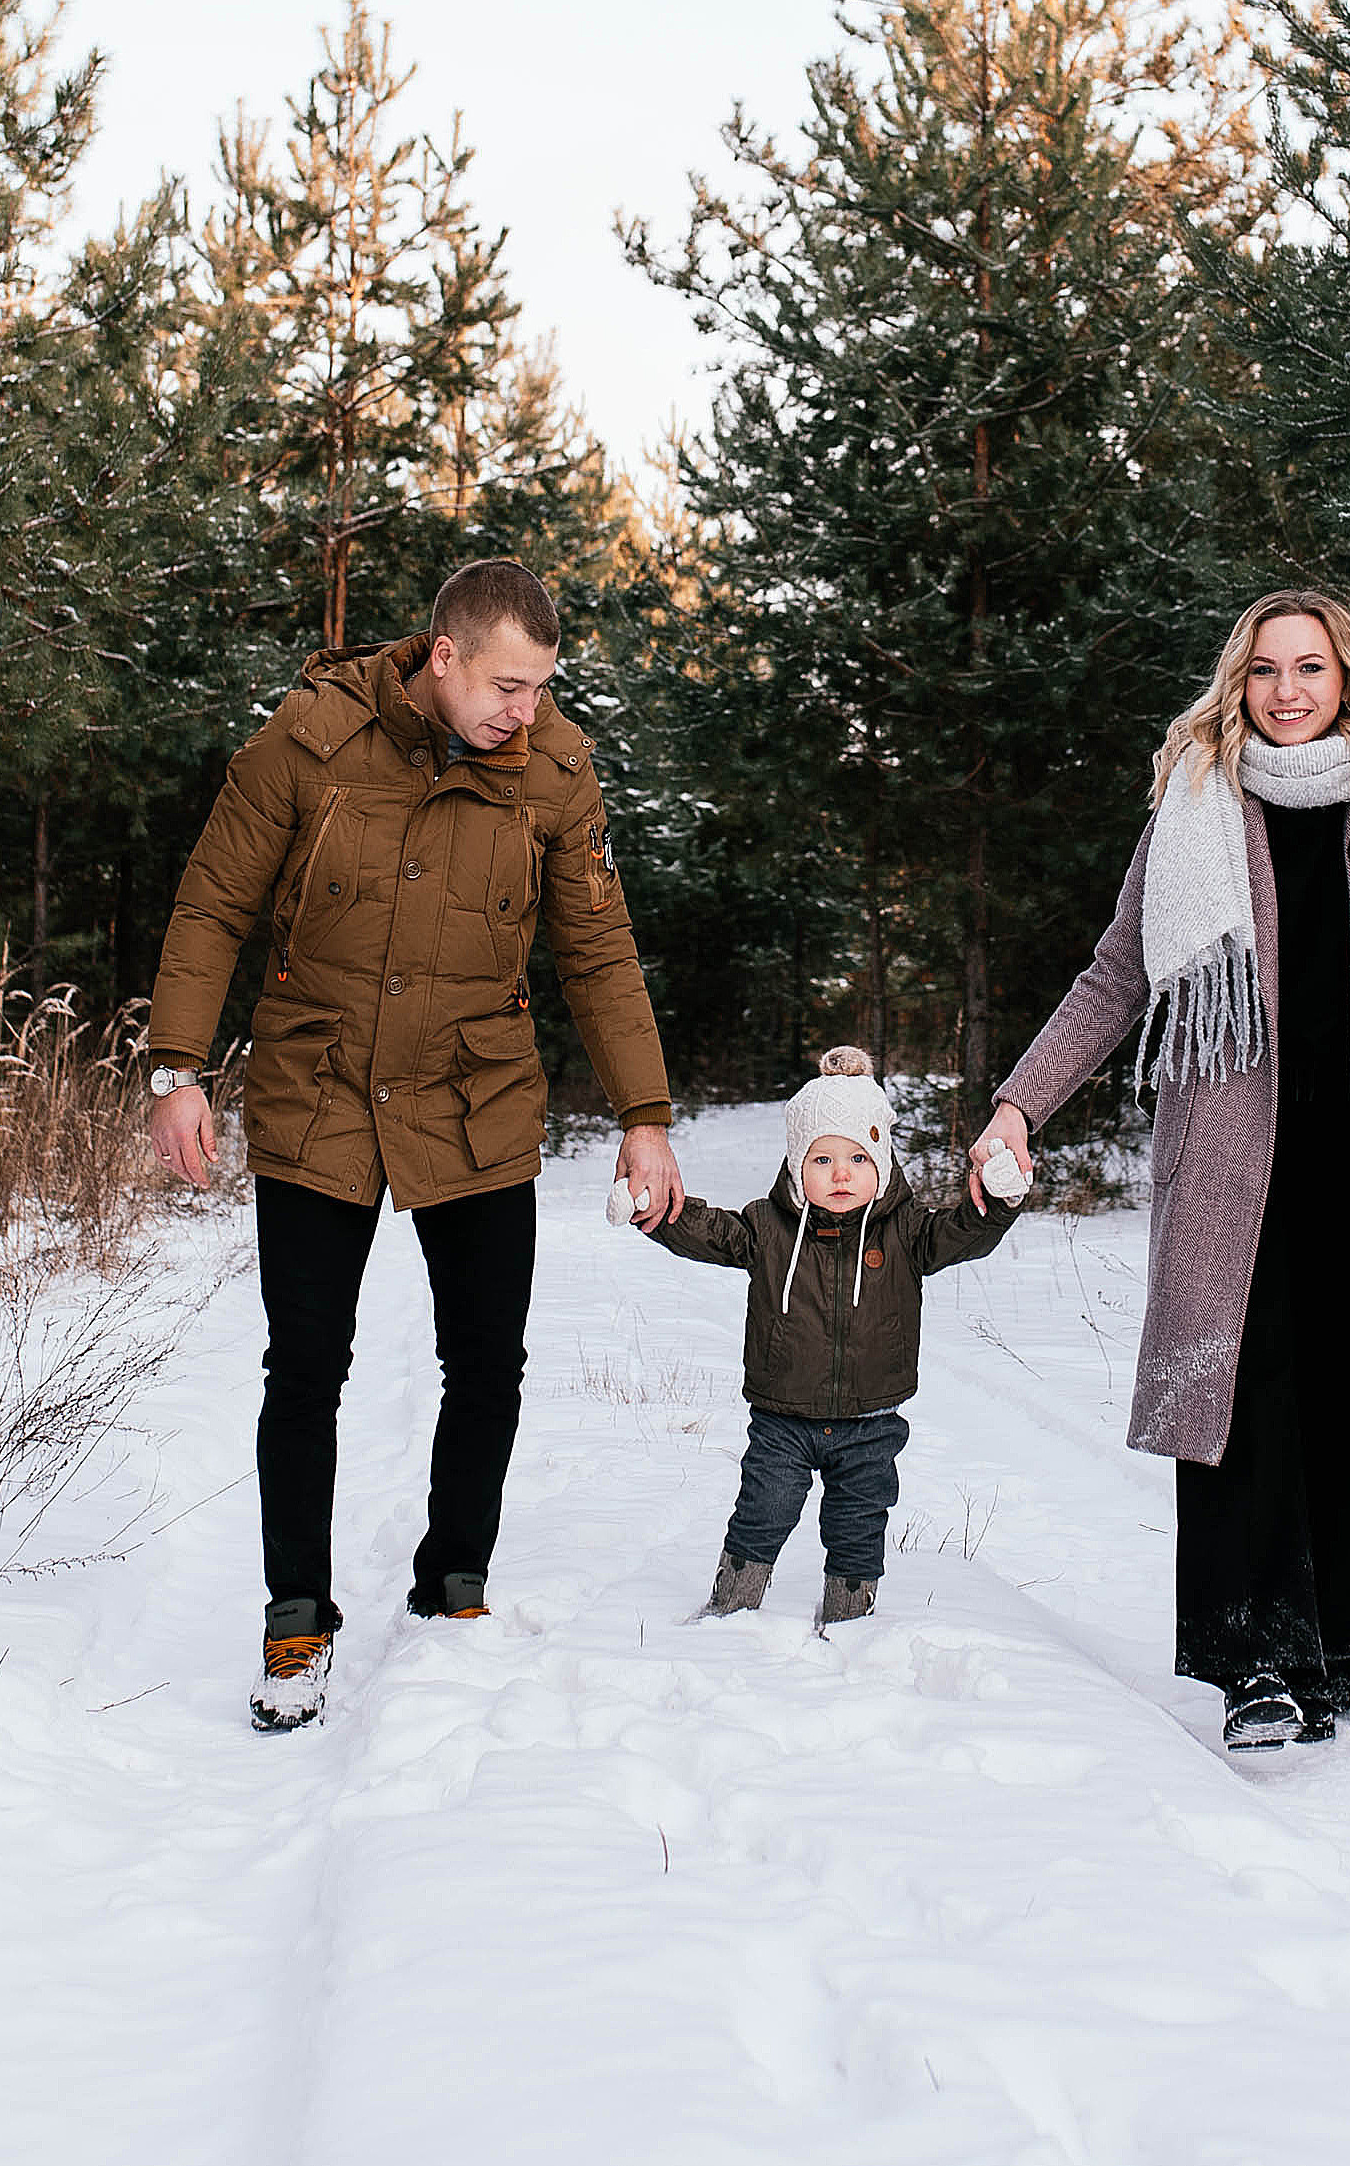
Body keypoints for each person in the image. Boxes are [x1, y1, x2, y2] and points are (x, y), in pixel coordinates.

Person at [968, 592, 1350, 1751]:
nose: (1285, 691)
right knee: (1239, 1400)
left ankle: (1330, 1666)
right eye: (1264, 669)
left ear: (1345, 677)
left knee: (1346, 1409)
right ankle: (1251, 1668)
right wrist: (1019, 1105)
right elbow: (1118, 974)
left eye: (1308, 668)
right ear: (1239, 680)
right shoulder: (1195, 807)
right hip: (1233, 1157)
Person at [145, 557, 684, 1731]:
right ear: (442, 657)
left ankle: (455, 1581)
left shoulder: (557, 770)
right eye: (506, 685)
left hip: (475, 1090)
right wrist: (176, 1067)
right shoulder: (310, 737)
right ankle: (297, 1622)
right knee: (307, 1365)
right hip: (320, 1080)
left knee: (487, 1358)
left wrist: (644, 1118)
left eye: (540, 688)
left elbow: (597, 952)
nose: (524, 711)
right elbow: (214, 900)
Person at [627, 1048, 1031, 1628]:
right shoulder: (766, 1229)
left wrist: (997, 1202)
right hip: (782, 1417)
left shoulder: (908, 1232)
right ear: (797, 1166)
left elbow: (965, 1232)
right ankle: (731, 1604)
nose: (841, 1174)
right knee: (762, 1510)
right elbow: (708, 1229)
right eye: (822, 1159)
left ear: (882, 1165)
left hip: (871, 1419)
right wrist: (656, 1210)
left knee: (859, 1520)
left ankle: (850, 1612)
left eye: (857, 1158)